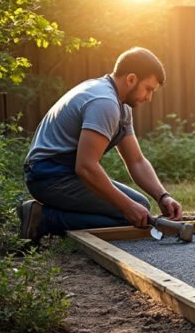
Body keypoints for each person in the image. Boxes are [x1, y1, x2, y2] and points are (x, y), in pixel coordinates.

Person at [18, 47, 182, 244]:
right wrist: (126, 206)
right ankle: (44, 219)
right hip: (48, 176)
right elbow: (86, 167)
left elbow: (136, 161)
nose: (149, 97)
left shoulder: (120, 105)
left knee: (140, 207)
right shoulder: (104, 102)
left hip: (62, 173)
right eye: (148, 89)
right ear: (131, 79)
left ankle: (50, 214)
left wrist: (163, 196)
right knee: (130, 214)